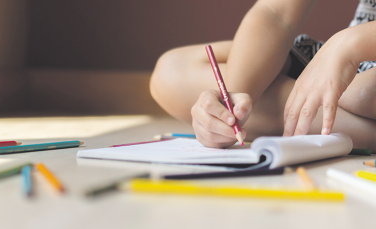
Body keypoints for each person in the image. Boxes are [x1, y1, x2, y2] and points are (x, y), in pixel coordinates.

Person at [150, 0, 376, 151]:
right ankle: (355, 128)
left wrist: (349, 44)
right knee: (171, 72)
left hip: (355, 50)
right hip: (343, 57)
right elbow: (276, 13)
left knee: (361, 93)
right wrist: (233, 104)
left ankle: (334, 122)